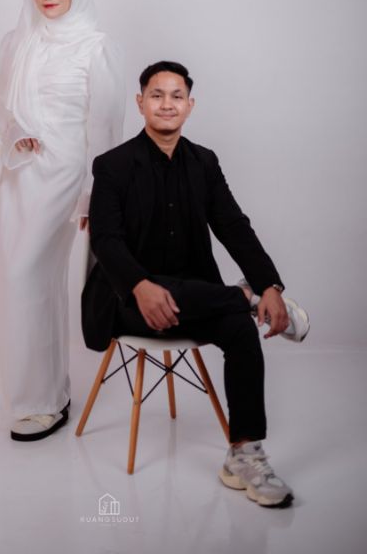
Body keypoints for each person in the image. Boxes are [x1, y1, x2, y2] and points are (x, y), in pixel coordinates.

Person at [82, 61, 309, 508]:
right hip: (127, 300)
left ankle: (244, 454)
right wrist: (140, 285)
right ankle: (240, 297)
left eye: (177, 96)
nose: (167, 104)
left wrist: (271, 286)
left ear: (190, 105)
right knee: (217, 301)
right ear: (140, 103)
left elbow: (233, 226)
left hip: (194, 297)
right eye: (157, 95)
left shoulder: (204, 162)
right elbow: (105, 240)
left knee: (241, 331)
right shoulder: (112, 165)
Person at [0, 0, 124, 441]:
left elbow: (105, 128)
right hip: (18, 173)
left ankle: (43, 401)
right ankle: (44, 396)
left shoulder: (95, 47)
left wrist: (93, 191)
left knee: (29, 274)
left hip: (66, 173)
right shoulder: (16, 41)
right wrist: (14, 130)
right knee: (21, 280)